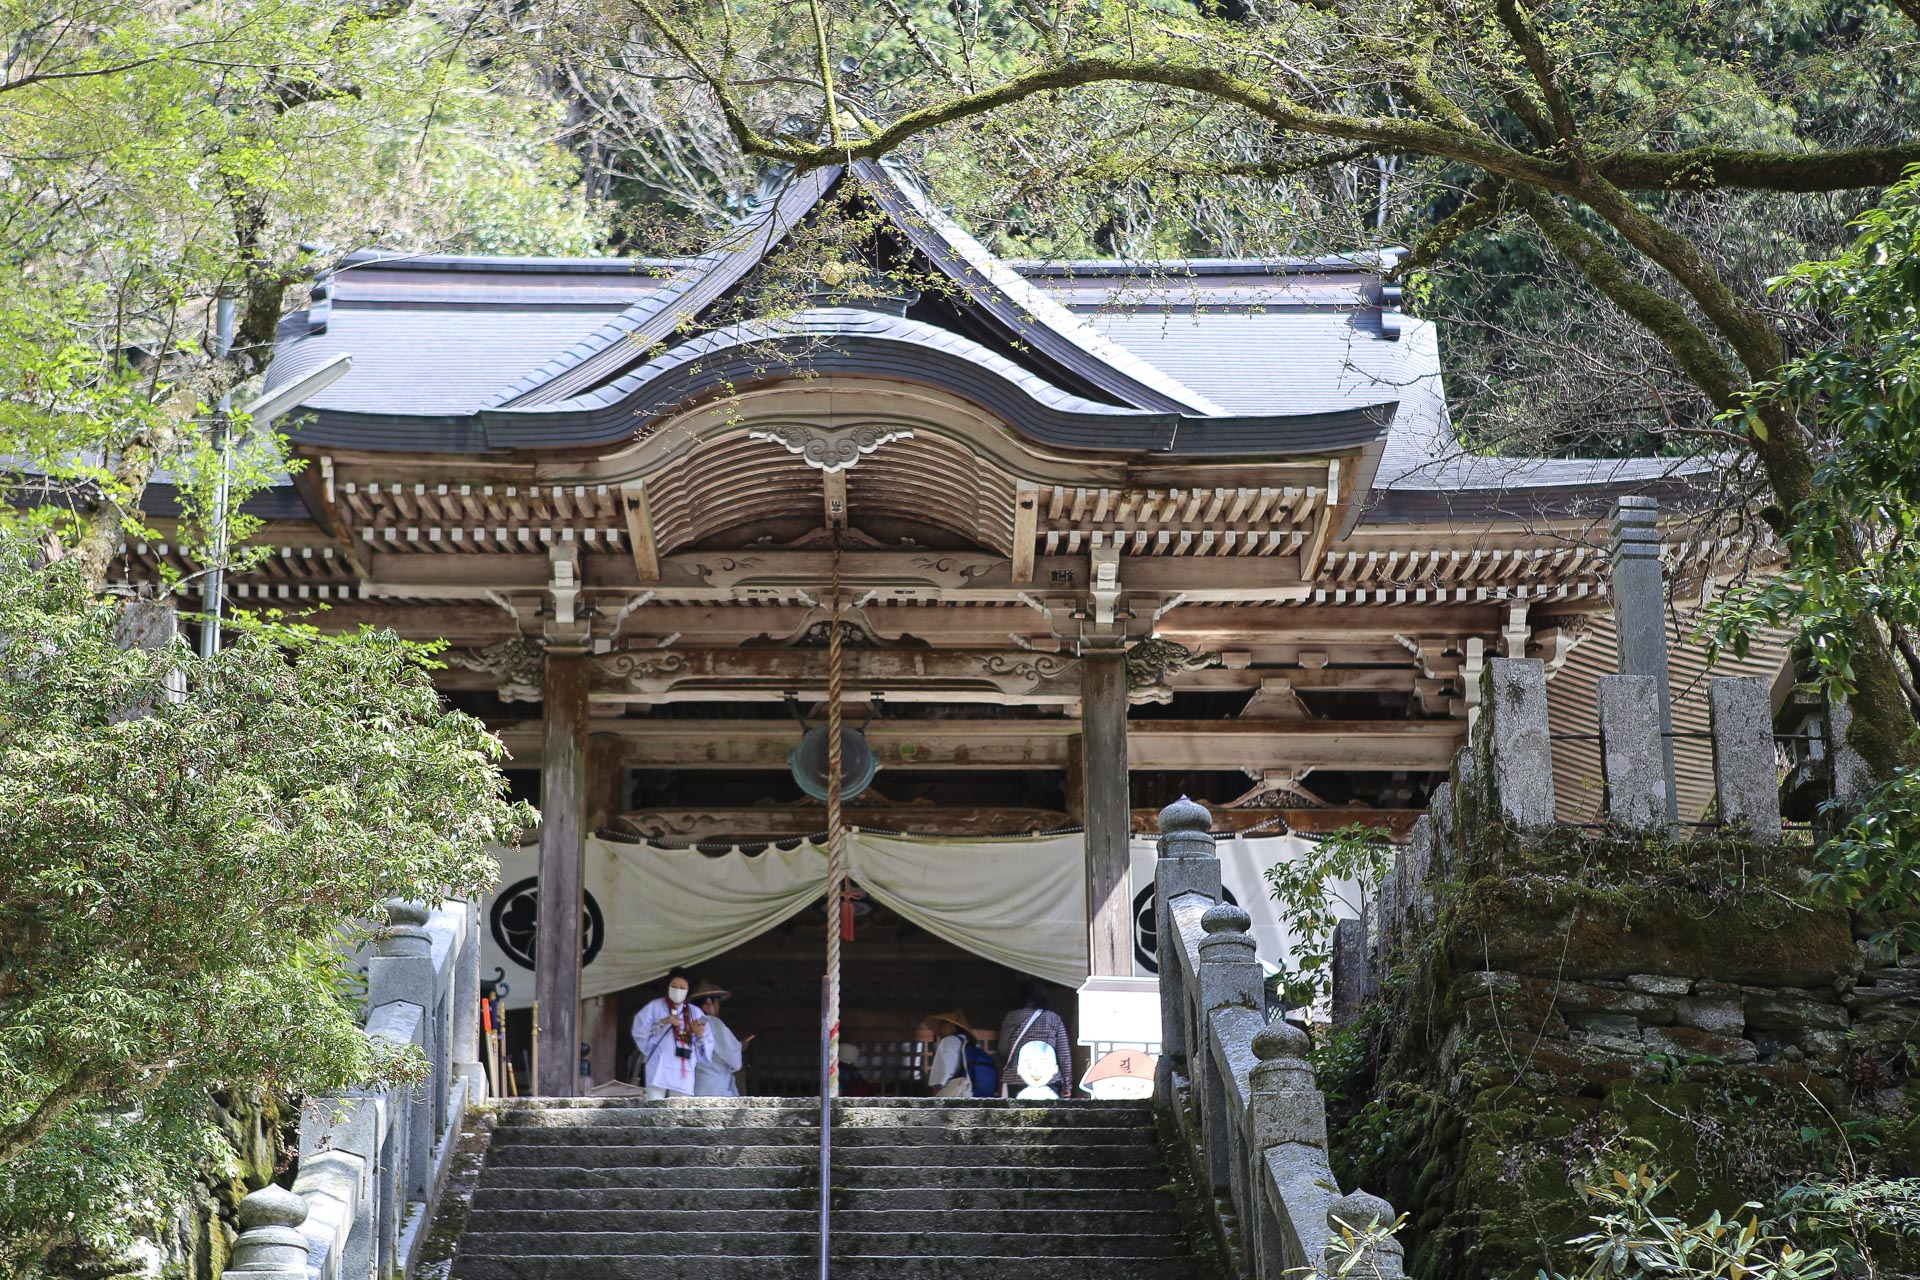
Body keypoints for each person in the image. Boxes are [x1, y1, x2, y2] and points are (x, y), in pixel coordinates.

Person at [631, 968, 711, 1098]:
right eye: (674, 986)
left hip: (683, 1068)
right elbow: (639, 1031)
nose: (677, 990)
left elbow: (706, 1049)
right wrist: (663, 1022)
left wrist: (700, 1034)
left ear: (688, 990)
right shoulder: (655, 1007)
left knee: (680, 1111)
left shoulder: (695, 1013)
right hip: (659, 1066)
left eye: (682, 987)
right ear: (668, 987)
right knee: (654, 1106)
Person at [998, 981, 1074, 1097]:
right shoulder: (1054, 1018)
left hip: (1016, 1078)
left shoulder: (1012, 1017)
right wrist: (1067, 1084)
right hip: (1049, 1078)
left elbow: (1003, 1048)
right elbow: (1064, 1054)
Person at [691, 979, 751, 1097]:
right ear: (709, 1003)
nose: (718, 1007)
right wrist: (739, 1049)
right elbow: (734, 1060)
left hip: (696, 1084)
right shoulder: (713, 1023)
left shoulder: (691, 1023)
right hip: (715, 1086)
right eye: (717, 1003)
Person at [922, 1009, 974, 1098]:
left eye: (942, 1024)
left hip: (956, 1097)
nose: (939, 1028)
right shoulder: (966, 1043)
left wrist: (936, 1090)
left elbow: (942, 1075)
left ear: (951, 1025)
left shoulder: (949, 1041)